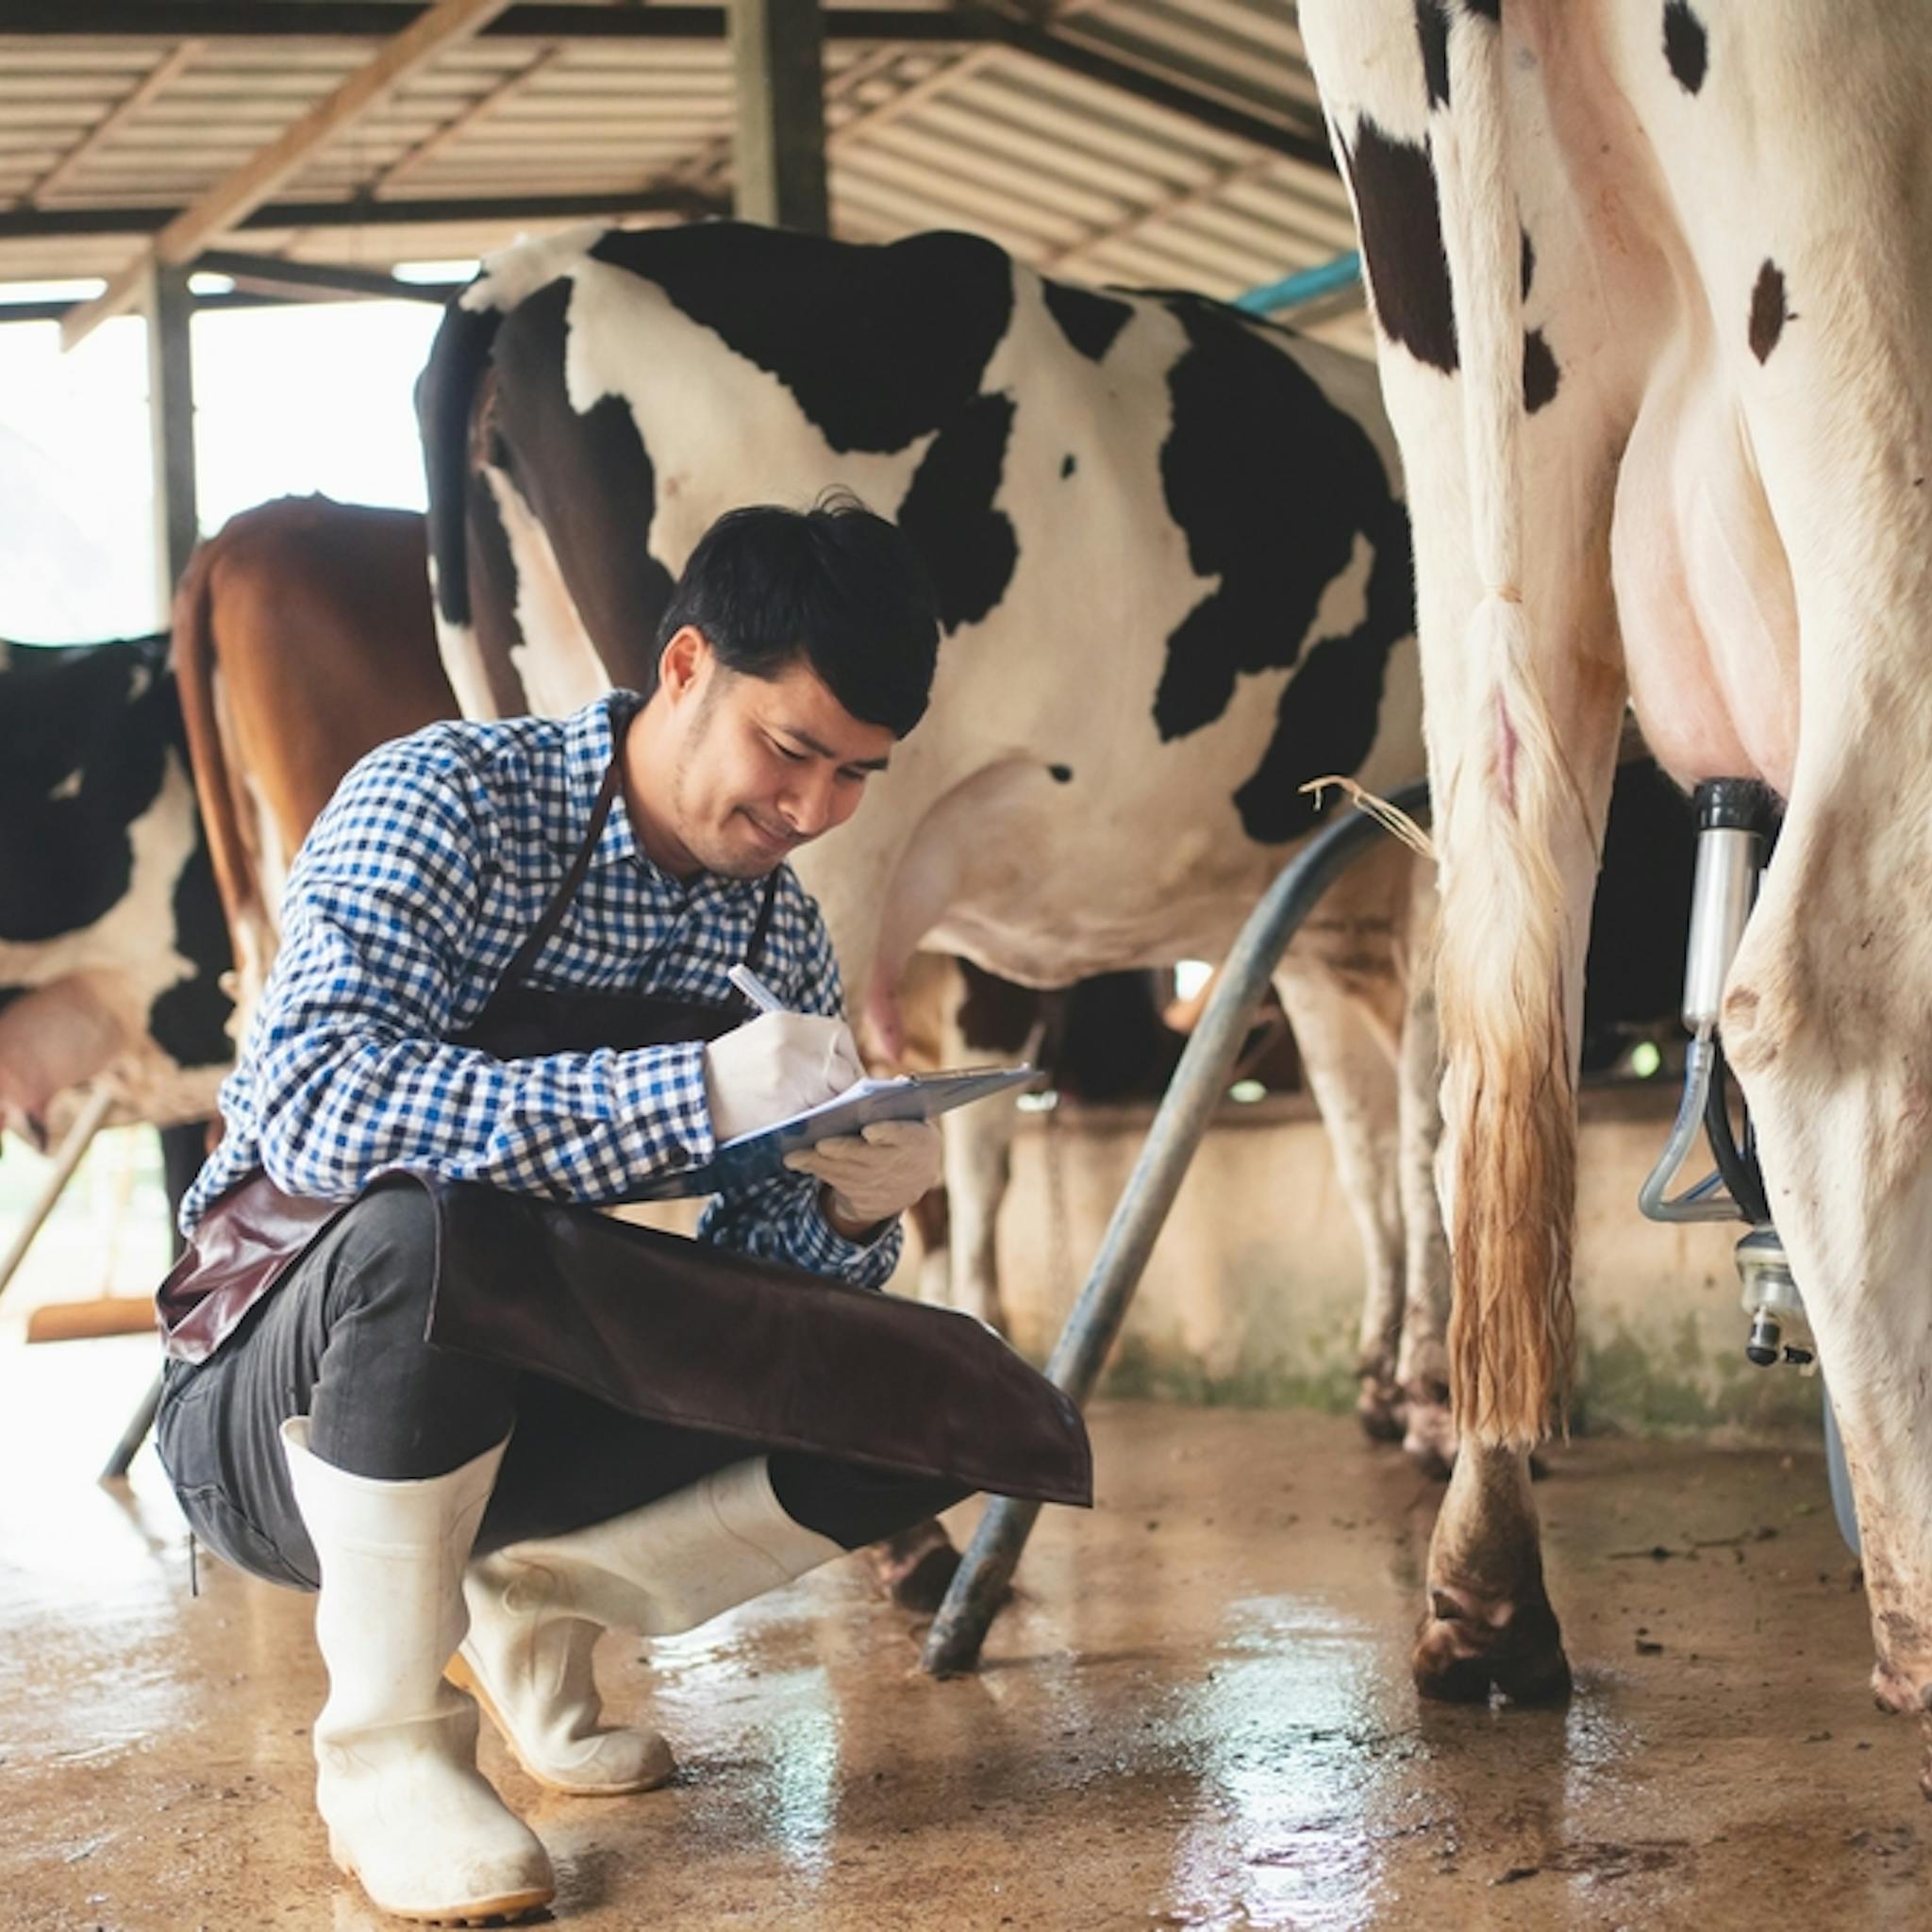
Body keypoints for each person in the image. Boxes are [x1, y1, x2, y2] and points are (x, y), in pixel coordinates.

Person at [153, 497, 1089, 1925]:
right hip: (272, 1399)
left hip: (535, 1386)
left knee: (945, 1394)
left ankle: (529, 1603)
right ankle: (386, 1747)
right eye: (792, 752)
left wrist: (849, 1206)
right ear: (688, 666)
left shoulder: (775, 929)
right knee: (436, 1231)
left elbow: (765, 1304)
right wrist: (692, 1100)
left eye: (858, 776)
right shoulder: (448, 797)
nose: (817, 813)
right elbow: (320, 1104)